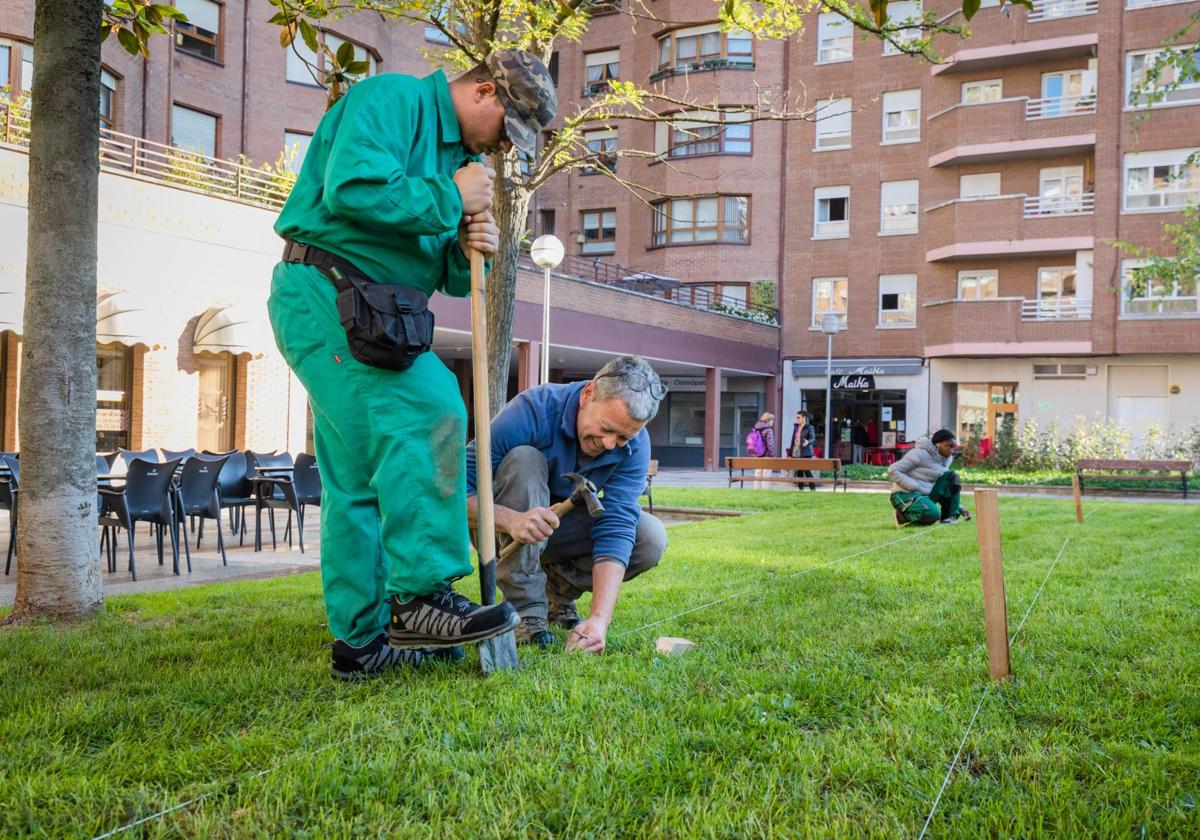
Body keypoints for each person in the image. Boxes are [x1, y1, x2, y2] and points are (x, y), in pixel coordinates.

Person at [267, 51, 558, 681]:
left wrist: (467, 246)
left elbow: (450, 276)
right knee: (431, 405)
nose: (504, 150)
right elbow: (353, 189)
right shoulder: (392, 101)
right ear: (485, 93)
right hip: (326, 288)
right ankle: (421, 596)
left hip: (378, 309)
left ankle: (361, 642)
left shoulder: (464, 163)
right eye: (507, 133)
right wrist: (448, 197)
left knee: (359, 479)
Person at [465, 356, 669, 653]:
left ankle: (556, 594)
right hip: (500, 529)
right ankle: (526, 612)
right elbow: (453, 492)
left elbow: (618, 525)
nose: (610, 444)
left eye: (623, 437)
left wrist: (599, 619)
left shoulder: (636, 446)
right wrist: (510, 520)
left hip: (559, 531)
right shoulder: (532, 410)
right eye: (606, 428)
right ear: (588, 394)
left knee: (650, 537)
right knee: (525, 459)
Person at [887, 429, 973, 527]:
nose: (952, 450)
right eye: (949, 446)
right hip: (904, 493)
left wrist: (960, 508)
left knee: (952, 477)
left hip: (925, 494)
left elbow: (945, 488)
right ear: (937, 445)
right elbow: (893, 470)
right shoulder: (919, 454)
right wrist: (914, 486)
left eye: (953, 447)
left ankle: (948, 519)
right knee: (933, 514)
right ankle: (901, 516)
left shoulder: (947, 459)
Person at [788, 409, 817, 491]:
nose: (797, 419)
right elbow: (793, 440)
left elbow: (813, 438)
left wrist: (808, 442)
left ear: (804, 418)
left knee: (806, 470)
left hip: (806, 452)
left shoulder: (809, 427)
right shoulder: (796, 427)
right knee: (799, 471)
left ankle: (813, 488)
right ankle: (801, 489)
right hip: (796, 451)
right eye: (796, 417)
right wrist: (790, 453)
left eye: (798, 417)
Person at [750, 412, 777, 488]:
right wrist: (772, 455)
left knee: (758, 473)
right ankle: (764, 491)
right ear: (768, 420)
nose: (773, 421)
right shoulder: (768, 430)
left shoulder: (756, 428)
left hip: (758, 454)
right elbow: (770, 445)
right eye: (772, 420)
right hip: (766, 455)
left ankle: (756, 490)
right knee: (766, 474)